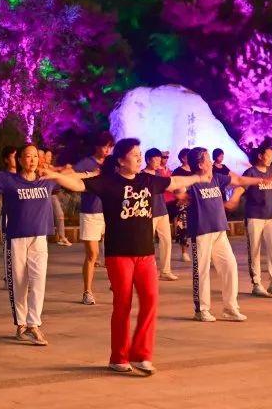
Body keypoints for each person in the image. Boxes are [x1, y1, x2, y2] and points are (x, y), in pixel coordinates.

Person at [81, 138, 210, 374]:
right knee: (123, 305)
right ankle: (118, 357)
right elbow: (78, 184)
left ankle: (141, 355)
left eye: (140, 154)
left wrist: (197, 178)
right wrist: (53, 175)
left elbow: (174, 182)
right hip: (119, 254)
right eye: (135, 154)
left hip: (145, 254)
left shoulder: (147, 180)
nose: (139, 158)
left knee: (150, 300)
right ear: (121, 160)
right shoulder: (108, 182)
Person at [0, 144, 90, 346]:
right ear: (20, 160)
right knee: (19, 282)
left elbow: (78, 185)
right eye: (28, 156)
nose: (32, 160)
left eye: (35, 156)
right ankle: (21, 325)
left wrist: (53, 174)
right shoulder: (8, 179)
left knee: (38, 281)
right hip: (16, 237)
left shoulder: (46, 180)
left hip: (39, 237)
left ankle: (34, 325)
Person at [175, 146, 270, 322]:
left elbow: (239, 180)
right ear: (200, 164)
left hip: (219, 230)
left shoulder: (217, 178)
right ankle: (202, 310)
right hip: (201, 232)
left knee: (230, 266)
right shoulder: (192, 182)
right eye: (207, 159)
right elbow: (178, 189)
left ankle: (230, 308)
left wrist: (261, 180)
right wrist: (181, 194)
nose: (211, 162)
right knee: (202, 270)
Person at [226, 146, 272, 297]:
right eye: (268, 155)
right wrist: (234, 199)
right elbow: (241, 188)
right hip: (255, 217)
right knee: (255, 250)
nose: (271, 158)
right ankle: (257, 284)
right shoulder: (251, 172)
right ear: (260, 156)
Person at [75, 131, 114, 305]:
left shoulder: (112, 163)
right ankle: (87, 291)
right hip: (91, 212)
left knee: (113, 252)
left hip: (110, 212)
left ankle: (115, 283)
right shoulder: (85, 163)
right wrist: (91, 175)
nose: (107, 150)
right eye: (105, 146)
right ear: (97, 146)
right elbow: (73, 179)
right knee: (93, 254)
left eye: (110, 147)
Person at [143, 148, 178, 280]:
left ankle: (165, 271)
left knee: (167, 241)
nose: (158, 161)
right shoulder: (142, 176)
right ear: (148, 160)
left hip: (162, 211)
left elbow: (169, 186)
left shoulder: (159, 174)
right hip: (149, 213)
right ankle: (148, 271)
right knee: (147, 243)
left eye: (159, 159)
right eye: (156, 159)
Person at [41, 148, 72, 246]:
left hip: (53, 195)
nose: (49, 158)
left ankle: (62, 237)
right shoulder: (42, 168)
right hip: (46, 195)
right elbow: (56, 170)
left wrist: (66, 169)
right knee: (45, 218)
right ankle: (43, 239)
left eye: (50, 156)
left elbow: (57, 171)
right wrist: (62, 169)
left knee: (60, 215)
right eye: (47, 156)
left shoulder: (49, 167)